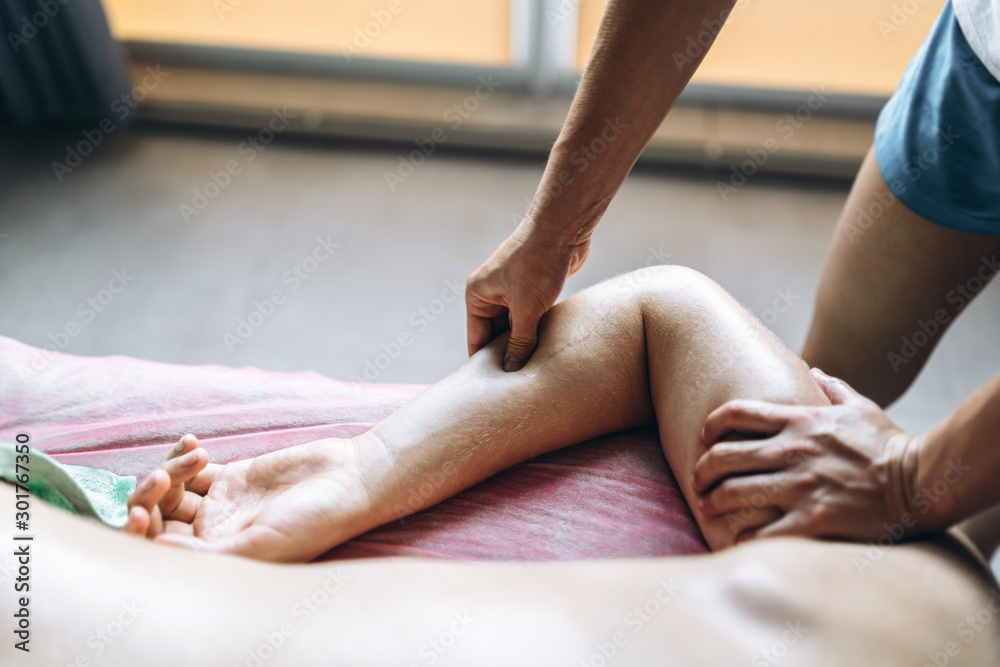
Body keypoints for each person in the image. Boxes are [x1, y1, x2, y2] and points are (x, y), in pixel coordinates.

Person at [8, 266, 1000, 666]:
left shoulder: (923, 599)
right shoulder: (924, 601)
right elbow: (666, 317)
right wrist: (359, 472)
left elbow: (669, 315)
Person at [464, 0, 1000, 544]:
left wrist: (906, 480)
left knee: (946, 519)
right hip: (977, 56)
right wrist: (554, 228)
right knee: (812, 406)